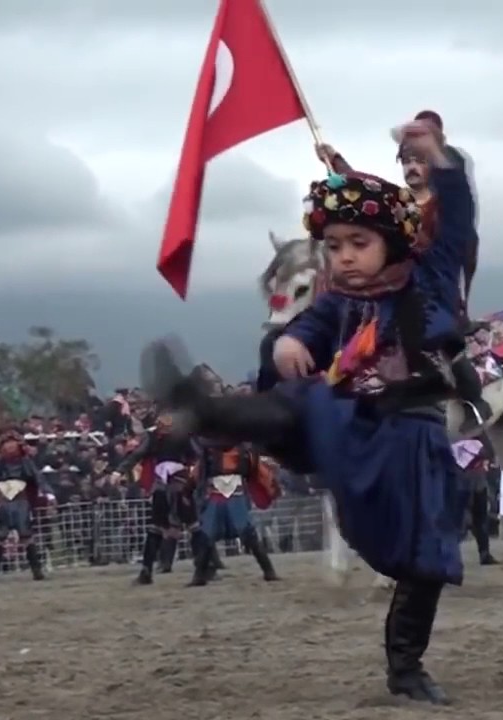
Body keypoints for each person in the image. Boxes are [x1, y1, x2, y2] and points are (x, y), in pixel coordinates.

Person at [145, 120, 469, 705]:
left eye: (358, 244)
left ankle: (406, 668)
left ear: (392, 243)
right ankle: (207, 411)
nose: (343, 258)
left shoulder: (429, 280)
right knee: (301, 401)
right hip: (349, 427)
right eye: (335, 246)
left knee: (424, 564)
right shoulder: (339, 303)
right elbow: (307, 330)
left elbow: (457, 219)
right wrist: (291, 343)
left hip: (411, 439)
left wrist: (437, 158)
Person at [317, 111, 491, 434]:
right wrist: (336, 163)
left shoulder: (446, 206)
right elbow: (367, 191)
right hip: (392, 289)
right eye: (406, 160)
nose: (411, 167)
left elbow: (455, 245)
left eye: (419, 160)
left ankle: (471, 400)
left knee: (434, 328)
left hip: (434, 289)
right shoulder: (397, 205)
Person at [189, 439, 280, 586]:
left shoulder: (243, 451)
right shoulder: (209, 451)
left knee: (248, 533)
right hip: (216, 493)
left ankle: (269, 571)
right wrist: (189, 487)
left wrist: (271, 486)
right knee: (206, 536)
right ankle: (199, 576)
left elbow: (257, 470)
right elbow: (198, 473)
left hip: (234, 492)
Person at [126, 412, 199, 586]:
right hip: (176, 484)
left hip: (173, 483)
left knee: (186, 526)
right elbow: (196, 454)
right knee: (190, 527)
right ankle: (203, 568)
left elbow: (137, 454)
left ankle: (147, 570)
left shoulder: (158, 437)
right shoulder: (169, 436)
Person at [0, 433, 53, 584]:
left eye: (13, 443)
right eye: (7, 443)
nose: (10, 446)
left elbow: (38, 477)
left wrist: (49, 494)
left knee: (26, 534)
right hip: (3, 502)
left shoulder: (26, 462)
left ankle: (37, 571)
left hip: (21, 501)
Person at [451, 437, 497, 565]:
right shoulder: (455, 440)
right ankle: (453, 555)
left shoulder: (477, 443)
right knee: (460, 522)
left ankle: (484, 553)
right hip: (463, 485)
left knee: (480, 520)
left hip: (474, 484)